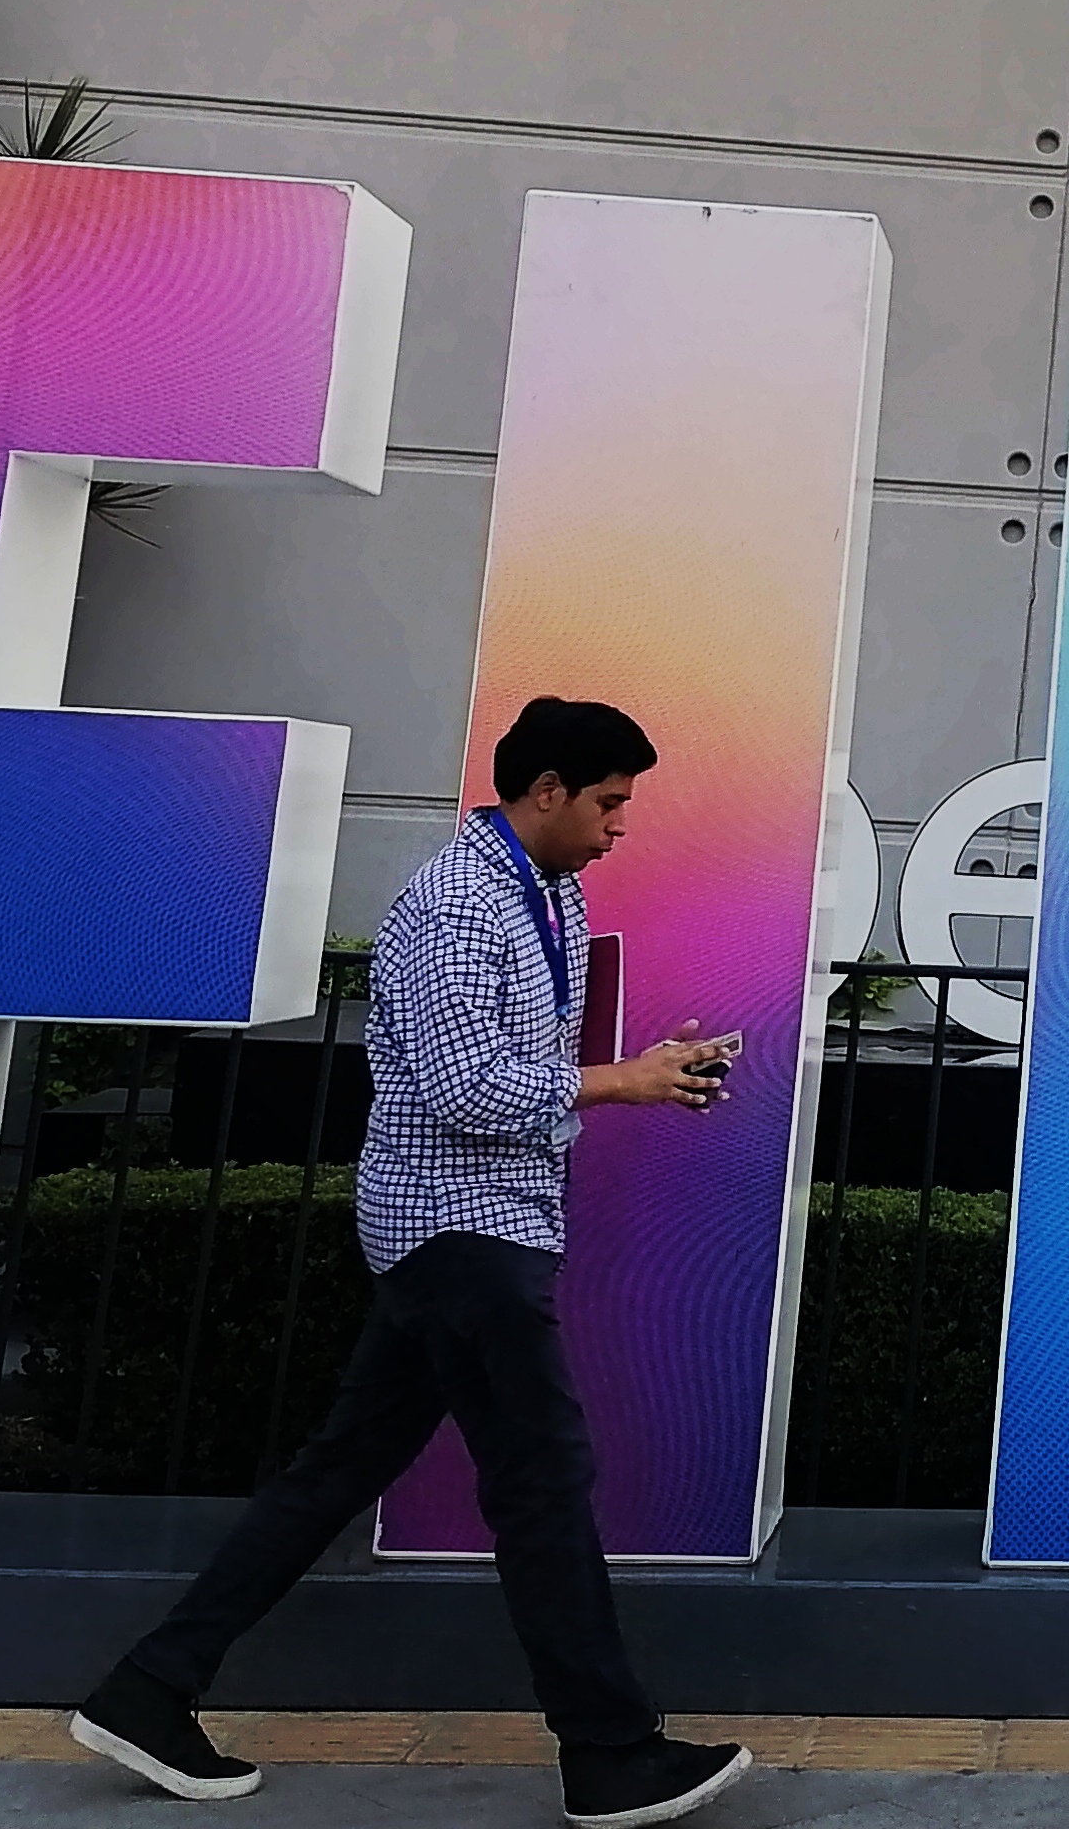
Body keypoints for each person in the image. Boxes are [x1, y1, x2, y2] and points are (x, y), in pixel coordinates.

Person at [71, 697, 754, 1827]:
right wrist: (620, 1083)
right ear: (546, 791)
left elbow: (517, 1059)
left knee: (339, 1471)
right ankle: (609, 1754)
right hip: (456, 1229)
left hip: (487, 1222)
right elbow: (460, 1086)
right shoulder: (452, 904)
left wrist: (645, 1067)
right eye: (608, 803)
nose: (620, 826)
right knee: (541, 1481)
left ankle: (147, 1689)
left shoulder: (551, 891)